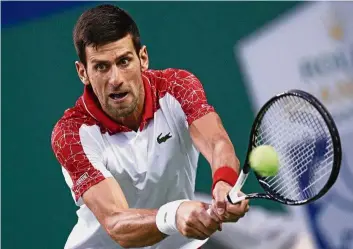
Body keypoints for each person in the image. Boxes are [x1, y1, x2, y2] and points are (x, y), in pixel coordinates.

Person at [51, 4, 249, 249]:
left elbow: (216, 141)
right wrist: (173, 216)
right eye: (101, 67)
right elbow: (116, 223)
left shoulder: (178, 88)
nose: (116, 79)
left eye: (124, 61)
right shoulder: (72, 134)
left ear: (142, 58)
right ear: (83, 72)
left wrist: (224, 183)